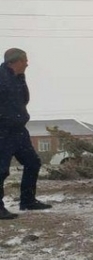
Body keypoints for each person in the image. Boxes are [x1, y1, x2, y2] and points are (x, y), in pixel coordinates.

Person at [0, 48, 52, 220]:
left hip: (19, 130)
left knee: (33, 162)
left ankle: (28, 201)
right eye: (25, 60)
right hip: (3, 131)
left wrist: (22, 80)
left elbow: (24, 100)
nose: (27, 64)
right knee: (1, 170)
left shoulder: (18, 79)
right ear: (15, 61)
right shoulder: (1, 78)